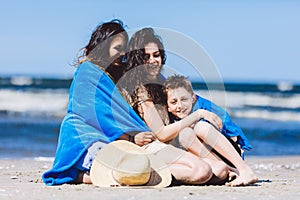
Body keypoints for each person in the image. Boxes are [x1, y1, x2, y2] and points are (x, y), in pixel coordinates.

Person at [120, 27, 257, 186]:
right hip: (156, 146)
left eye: (156, 55)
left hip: (175, 142)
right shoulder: (140, 90)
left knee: (200, 133)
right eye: (146, 57)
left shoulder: (159, 79)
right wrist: (199, 114)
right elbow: (162, 134)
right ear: (137, 60)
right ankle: (231, 170)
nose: (152, 60)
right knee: (206, 168)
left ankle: (240, 169)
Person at [42, 19, 155, 186]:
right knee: (117, 168)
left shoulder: (111, 73)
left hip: (108, 136)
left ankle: (84, 174)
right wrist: (130, 139)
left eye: (124, 48)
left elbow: (118, 110)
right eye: (117, 48)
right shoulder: (88, 71)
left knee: (132, 166)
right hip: (83, 135)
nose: (122, 53)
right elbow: (95, 113)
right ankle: (80, 175)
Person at [164, 74, 258, 186]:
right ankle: (231, 171)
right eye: (174, 102)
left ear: (193, 98)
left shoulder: (203, 107)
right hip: (210, 157)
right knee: (185, 134)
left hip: (229, 151)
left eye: (184, 99)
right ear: (168, 107)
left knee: (201, 128)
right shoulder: (173, 117)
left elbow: (229, 129)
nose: (180, 105)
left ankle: (244, 169)